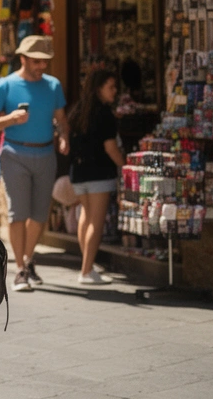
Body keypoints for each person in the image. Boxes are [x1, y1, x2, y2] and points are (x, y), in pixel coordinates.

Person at [0, 35, 67, 293]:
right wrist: (10, 119)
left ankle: (29, 259)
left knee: (39, 215)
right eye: (36, 61)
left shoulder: (53, 86)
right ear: (23, 58)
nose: (41, 66)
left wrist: (64, 136)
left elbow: (62, 120)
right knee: (17, 214)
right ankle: (20, 269)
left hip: (46, 155)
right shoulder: (5, 85)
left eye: (45, 61)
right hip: (14, 154)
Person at [66, 69, 125, 286]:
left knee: (86, 216)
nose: (115, 91)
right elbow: (110, 147)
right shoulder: (104, 113)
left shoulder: (79, 110)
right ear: (99, 88)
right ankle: (87, 269)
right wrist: (125, 165)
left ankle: (87, 265)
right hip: (99, 172)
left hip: (79, 173)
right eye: (111, 86)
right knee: (96, 222)